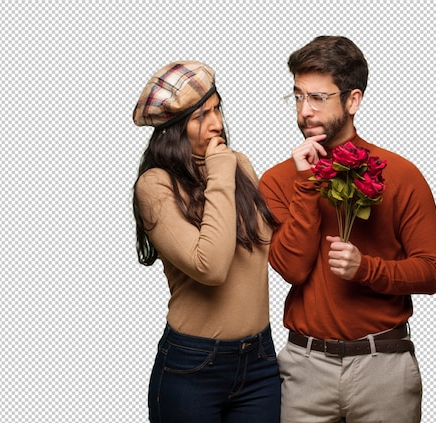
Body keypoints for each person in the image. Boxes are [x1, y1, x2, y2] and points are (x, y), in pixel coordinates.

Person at [259, 36, 436, 422]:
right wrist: (308, 182)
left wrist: (367, 269)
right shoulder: (277, 180)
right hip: (304, 368)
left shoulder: (401, 174)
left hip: (384, 368)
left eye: (317, 98)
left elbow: (430, 271)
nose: (304, 111)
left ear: (353, 100)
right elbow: (291, 268)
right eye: (297, 96)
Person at [132, 60, 281, 423]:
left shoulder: (238, 165)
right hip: (194, 366)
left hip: (260, 360)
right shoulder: (156, 185)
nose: (217, 124)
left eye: (217, 109)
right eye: (201, 117)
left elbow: (262, 249)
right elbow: (211, 266)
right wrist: (218, 171)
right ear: (174, 129)